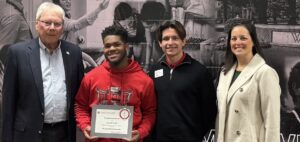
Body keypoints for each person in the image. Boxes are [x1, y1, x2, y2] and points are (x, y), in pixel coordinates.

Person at [2, 2, 84, 142]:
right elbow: (8, 103)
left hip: (64, 133)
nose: (52, 28)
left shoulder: (74, 53)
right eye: (47, 22)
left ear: (63, 27)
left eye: (57, 24)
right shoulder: (18, 53)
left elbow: (79, 96)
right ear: (37, 24)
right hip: (29, 133)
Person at [75, 25, 156, 142]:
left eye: (117, 44)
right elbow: (80, 106)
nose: (112, 49)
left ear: (126, 47)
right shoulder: (91, 77)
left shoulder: (144, 81)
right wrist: (85, 126)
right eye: (107, 46)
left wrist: (141, 132)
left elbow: (150, 112)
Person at [148, 20, 217, 141]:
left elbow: (210, 112)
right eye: (166, 39)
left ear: (183, 41)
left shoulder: (200, 72)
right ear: (160, 43)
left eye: (175, 38)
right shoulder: (154, 71)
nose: (170, 42)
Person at [215, 18, 281, 142]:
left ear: (253, 41)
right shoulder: (225, 73)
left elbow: (272, 122)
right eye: (233, 38)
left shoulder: (265, 73)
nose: (237, 42)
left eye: (243, 38)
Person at [52, 0, 109, 70]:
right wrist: (99, 8)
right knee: (88, 61)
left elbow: (71, 30)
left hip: (72, 52)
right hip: (65, 57)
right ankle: (97, 69)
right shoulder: (58, 18)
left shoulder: (66, 16)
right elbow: (76, 25)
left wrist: (79, 38)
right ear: (57, 2)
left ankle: (96, 68)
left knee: (101, 51)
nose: (68, 1)